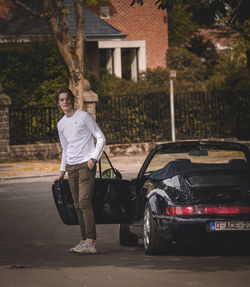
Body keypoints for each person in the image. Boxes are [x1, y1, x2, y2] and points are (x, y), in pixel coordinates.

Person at [53, 87, 106, 254]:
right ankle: (84, 241)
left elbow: (101, 137)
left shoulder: (83, 116)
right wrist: (61, 173)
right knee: (77, 205)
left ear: (72, 100)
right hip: (71, 168)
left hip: (86, 165)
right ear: (58, 103)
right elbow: (65, 148)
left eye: (67, 98)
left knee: (84, 203)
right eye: (61, 99)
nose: (65, 102)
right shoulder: (61, 124)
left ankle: (91, 242)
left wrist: (93, 158)